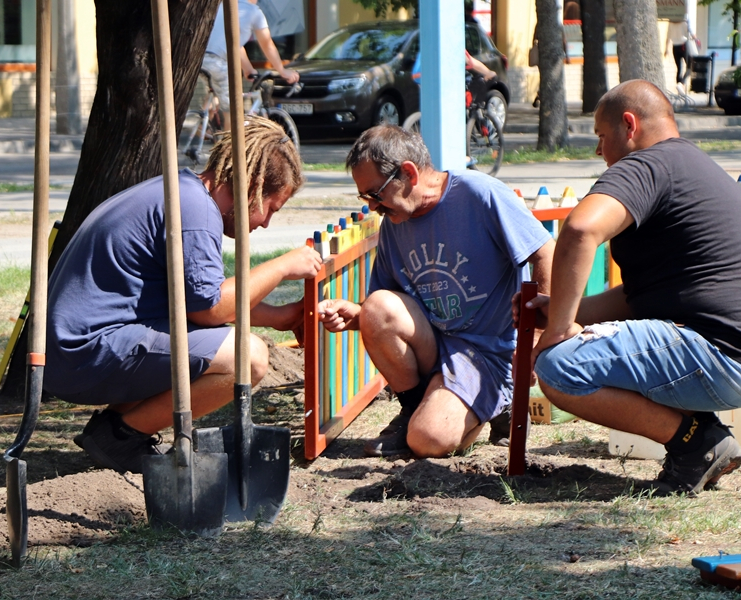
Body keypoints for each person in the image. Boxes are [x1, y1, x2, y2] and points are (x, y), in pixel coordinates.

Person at [522, 80, 741, 496]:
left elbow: (578, 231)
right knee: (572, 354)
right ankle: (701, 437)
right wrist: (563, 310)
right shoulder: (690, 166)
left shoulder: (648, 165)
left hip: (722, 353)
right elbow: (640, 299)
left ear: (628, 125)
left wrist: (558, 330)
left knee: (560, 367)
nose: (599, 152)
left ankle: (698, 444)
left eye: (600, 136)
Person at [45, 117, 322, 474]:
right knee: (247, 356)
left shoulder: (184, 192)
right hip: (82, 354)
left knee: (221, 346)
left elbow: (193, 304)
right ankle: (121, 435)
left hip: (70, 351)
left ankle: (112, 428)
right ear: (252, 186)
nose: (266, 223)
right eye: (272, 207)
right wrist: (284, 265)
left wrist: (281, 316)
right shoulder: (195, 210)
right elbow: (209, 309)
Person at [318, 125, 555, 457]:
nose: (373, 206)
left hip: (486, 354)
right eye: (365, 198)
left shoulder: (479, 194)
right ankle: (415, 411)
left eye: (376, 194)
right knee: (376, 306)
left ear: (409, 173)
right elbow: (389, 307)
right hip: (437, 344)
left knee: (428, 439)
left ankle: (499, 400)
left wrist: (537, 339)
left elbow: (546, 254)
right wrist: (356, 314)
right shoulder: (395, 224)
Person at [202, 0, 299, 123]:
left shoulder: (223, 6)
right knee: (233, 112)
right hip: (217, 63)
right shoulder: (254, 12)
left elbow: (236, 45)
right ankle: (230, 141)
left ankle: (202, 121)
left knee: (217, 92)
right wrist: (282, 70)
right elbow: (267, 44)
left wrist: (248, 69)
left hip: (199, 60)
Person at [664, 18, 693, 87]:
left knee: (679, 68)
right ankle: (682, 82)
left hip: (675, 46)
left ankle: (679, 85)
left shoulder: (671, 23)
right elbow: (688, 34)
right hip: (683, 45)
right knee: (690, 66)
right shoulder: (683, 22)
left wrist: (666, 49)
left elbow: (668, 37)